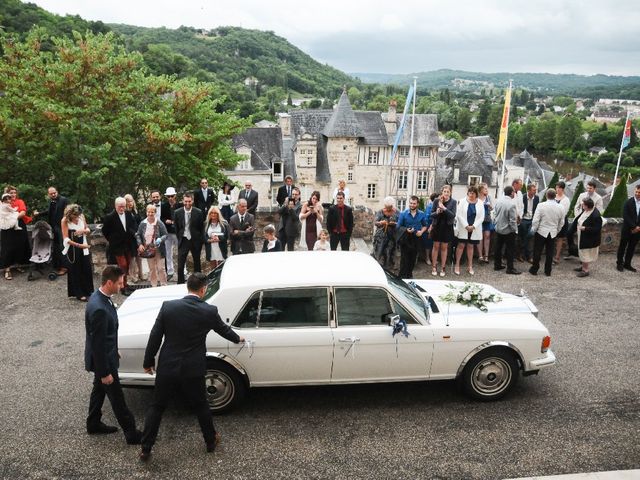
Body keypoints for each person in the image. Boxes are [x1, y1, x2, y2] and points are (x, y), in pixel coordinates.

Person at [138, 272, 245, 462]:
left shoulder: (168, 307)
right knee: (201, 405)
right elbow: (223, 329)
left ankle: (146, 448)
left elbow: (155, 336)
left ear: (188, 287)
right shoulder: (209, 311)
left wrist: (148, 362)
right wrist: (238, 338)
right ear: (203, 290)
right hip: (193, 367)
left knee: (157, 407)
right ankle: (210, 441)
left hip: (168, 365)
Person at [85, 266, 141, 445]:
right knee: (118, 400)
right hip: (105, 363)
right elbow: (98, 344)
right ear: (109, 282)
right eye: (119, 283)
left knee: (98, 391)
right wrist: (104, 373)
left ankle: (93, 423)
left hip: (106, 356)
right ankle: (131, 434)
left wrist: (114, 347)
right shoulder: (99, 308)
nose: (121, 285)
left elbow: (104, 336)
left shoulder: (100, 298)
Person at [102, 197, 137, 295]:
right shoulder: (110, 217)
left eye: (124, 206)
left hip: (128, 244)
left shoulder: (129, 214)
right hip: (117, 246)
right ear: (115, 206)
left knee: (128, 264)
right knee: (123, 266)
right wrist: (112, 240)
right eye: (120, 207)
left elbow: (133, 226)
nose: (122, 209)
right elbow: (105, 231)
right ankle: (122, 286)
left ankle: (125, 284)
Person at [529, 189, 565, 277]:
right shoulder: (560, 207)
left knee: (537, 251)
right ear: (555, 196)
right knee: (550, 252)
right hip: (552, 232)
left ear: (546, 195)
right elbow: (562, 222)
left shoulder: (541, 205)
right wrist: (557, 230)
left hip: (541, 231)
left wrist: (534, 229)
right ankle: (548, 271)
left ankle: (534, 269)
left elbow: (536, 220)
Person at [61, 204, 94, 301]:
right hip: (73, 248)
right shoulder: (64, 221)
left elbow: (88, 229)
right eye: (75, 216)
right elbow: (65, 239)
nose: (77, 217)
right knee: (76, 270)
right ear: (70, 214)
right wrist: (79, 246)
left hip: (83, 244)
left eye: (78, 215)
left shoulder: (81, 217)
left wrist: (82, 231)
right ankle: (78, 293)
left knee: (86, 268)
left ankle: (89, 291)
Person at [37, 186, 69, 275]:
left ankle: (65, 267)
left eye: (54, 193)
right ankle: (57, 265)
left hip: (62, 227)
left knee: (63, 247)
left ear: (57, 192)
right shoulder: (51, 201)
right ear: (49, 194)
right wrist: (39, 213)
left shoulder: (64, 200)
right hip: (53, 228)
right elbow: (50, 211)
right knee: (56, 247)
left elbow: (69, 212)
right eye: (51, 194)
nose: (53, 194)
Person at [1, 185, 31, 279]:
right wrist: (9, 219)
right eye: (11, 193)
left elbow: (23, 213)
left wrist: (12, 218)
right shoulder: (3, 203)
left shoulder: (20, 201)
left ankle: (18, 265)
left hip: (19, 225)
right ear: (7, 194)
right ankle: (7, 269)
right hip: (7, 227)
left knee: (20, 246)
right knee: (8, 247)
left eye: (15, 193)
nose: (13, 194)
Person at [454, 186, 485, 276]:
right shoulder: (462, 201)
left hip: (474, 229)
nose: (471, 194)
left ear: (476, 194)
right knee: (461, 246)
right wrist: (466, 225)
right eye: (469, 192)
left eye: (473, 193)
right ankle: (457, 265)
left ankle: (470, 266)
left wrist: (474, 226)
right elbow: (459, 215)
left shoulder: (480, 203)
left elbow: (481, 217)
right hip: (464, 227)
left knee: (471, 246)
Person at [174, 192, 204, 284]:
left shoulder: (198, 212)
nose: (187, 203)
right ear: (183, 201)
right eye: (186, 201)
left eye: (189, 201)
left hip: (195, 240)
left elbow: (201, 227)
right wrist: (180, 237)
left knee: (197, 263)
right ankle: (180, 283)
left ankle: (198, 282)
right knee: (180, 264)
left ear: (193, 201)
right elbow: (176, 228)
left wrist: (200, 240)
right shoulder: (177, 212)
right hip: (183, 240)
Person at [136, 204, 168, 287]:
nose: (150, 214)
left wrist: (160, 239)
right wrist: (139, 244)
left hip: (159, 249)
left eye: (152, 212)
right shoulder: (143, 223)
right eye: (149, 212)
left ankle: (163, 285)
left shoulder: (159, 223)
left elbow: (165, 235)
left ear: (155, 213)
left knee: (161, 268)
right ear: (146, 212)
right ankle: (154, 286)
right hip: (148, 249)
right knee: (152, 269)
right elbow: (138, 234)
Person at [397, 195, 428, 278]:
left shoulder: (421, 214)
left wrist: (421, 231)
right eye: (410, 203)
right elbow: (398, 227)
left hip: (416, 238)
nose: (412, 205)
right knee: (404, 259)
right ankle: (402, 277)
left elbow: (425, 226)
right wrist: (406, 230)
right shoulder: (403, 214)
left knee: (413, 259)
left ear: (417, 204)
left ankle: (409, 275)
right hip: (406, 238)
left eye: (414, 203)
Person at [493, 186, 521, 275]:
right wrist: (515, 230)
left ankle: (497, 265)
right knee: (510, 250)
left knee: (498, 248)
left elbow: (494, 214)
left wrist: (496, 224)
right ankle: (510, 268)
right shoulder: (511, 204)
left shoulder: (498, 201)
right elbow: (512, 220)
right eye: (514, 192)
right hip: (508, 231)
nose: (514, 193)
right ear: (512, 193)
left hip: (498, 229)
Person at [430, 185, 457, 277]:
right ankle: (434, 267)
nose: (446, 193)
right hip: (437, 226)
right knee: (436, 246)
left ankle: (443, 267)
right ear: (442, 192)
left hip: (447, 226)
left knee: (444, 248)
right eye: (444, 191)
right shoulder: (436, 201)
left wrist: (445, 209)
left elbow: (452, 215)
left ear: (450, 192)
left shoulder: (453, 202)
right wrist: (437, 212)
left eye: (447, 192)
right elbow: (431, 215)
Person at [572, 197, 602, 277]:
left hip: (589, 239)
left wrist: (585, 228)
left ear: (588, 206)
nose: (582, 206)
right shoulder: (586, 210)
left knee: (585, 253)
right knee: (582, 252)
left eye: (583, 205)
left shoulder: (595, 215)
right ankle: (583, 266)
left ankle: (585, 270)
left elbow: (597, 228)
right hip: (583, 236)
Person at [616, 184, 640, 272]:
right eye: (636, 191)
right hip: (627, 229)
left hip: (638, 231)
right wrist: (634, 227)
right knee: (622, 246)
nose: (637, 194)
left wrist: (638, 228)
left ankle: (627, 264)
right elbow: (625, 216)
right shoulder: (628, 202)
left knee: (632, 247)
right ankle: (619, 263)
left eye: (639, 192)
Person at [159, 187, 182, 280]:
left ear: (175, 196)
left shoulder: (180, 205)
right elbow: (162, 218)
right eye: (168, 196)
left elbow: (182, 218)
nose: (170, 198)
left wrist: (175, 222)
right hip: (168, 231)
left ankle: (183, 271)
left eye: (172, 196)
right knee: (168, 252)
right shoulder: (164, 206)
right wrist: (166, 221)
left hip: (177, 232)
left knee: (181, 252)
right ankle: (170, 271)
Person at [372, 196, 399, 268]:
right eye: (387, 207)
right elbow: (375, 223)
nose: (388, 208)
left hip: (392, 235)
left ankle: (389, 267)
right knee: (379, 251)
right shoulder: (380, 212)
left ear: (392, 205)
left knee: (390, 251)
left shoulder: (397, 212)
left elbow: (400, 223)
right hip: (381, 236)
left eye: (389, 207)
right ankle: (378, 267)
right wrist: (381, 222)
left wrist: (394, 224)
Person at [124, 194, 144, 283]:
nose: (130, 203)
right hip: (130, 238)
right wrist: (134, 233)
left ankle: (141, 274)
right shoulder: (125, 213)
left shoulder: (135, 211)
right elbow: (127, 227)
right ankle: (132, 276)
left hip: (138, 236)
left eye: (131, 201)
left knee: (139, 256)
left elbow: (140, 222)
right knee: (132, 257)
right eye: (128, 201)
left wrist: (140, 232)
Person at [518, 183, 538, 262]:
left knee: (530, 234)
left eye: (535, 190)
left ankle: (523, 255)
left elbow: (537, 210)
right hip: (523, 219)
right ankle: (527, 256)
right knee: (522, 236)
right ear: (528, 190)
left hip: (532, 220)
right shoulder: (523, 197)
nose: (535, 191)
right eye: (533, 190)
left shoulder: (536, 198)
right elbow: (519, 208)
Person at [553, 181, 571, 264]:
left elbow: (564, 212)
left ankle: (557, 256)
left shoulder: (566, 200)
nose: (556, 189)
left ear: (562, 189)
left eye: (558, 188)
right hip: (552, 220)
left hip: (561, 221)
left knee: (560, 239)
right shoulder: (553, 197)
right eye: (556, 187)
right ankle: (550, 254)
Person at [477, 183, 493, 263]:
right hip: (479, 219)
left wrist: (490, 206)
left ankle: (486, 256)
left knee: (487, 236)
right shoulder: (477, 197)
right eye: (485, 188)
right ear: (480, 190)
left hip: (487, 219)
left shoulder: (488, 197)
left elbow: (492, 208)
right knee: (480, 237)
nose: (487, 190)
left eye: (487, 188)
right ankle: (480, 256)